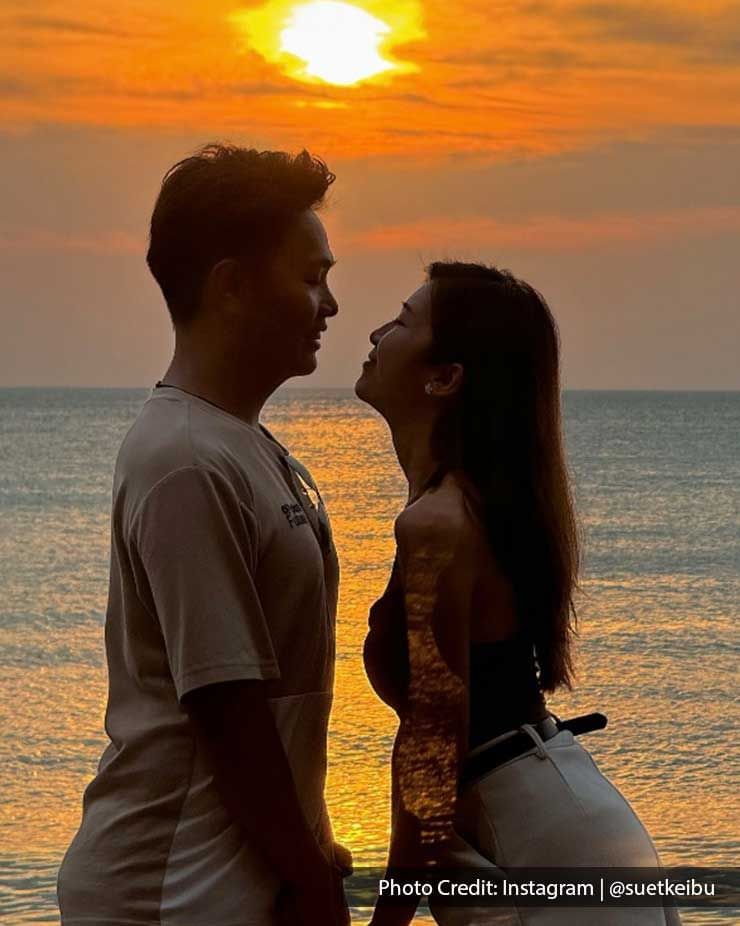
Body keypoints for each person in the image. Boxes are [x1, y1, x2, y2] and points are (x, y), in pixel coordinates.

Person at [57, 143, 351, 926]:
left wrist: (312, 846)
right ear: (230, 285)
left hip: (237, 872)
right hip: (169, 887)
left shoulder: (240, 443)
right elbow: (226, 703)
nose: (331, 306)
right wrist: (310, 880)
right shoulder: (185, 459)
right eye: (311, 277)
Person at [355, 262, 681, 925]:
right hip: (559, 819)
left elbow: (431, 752)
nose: (376, 331)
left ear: (445, 377)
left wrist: (385, 923)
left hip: (537, 833)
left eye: (402, 321)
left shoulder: (438, 526)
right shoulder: (469, 512)